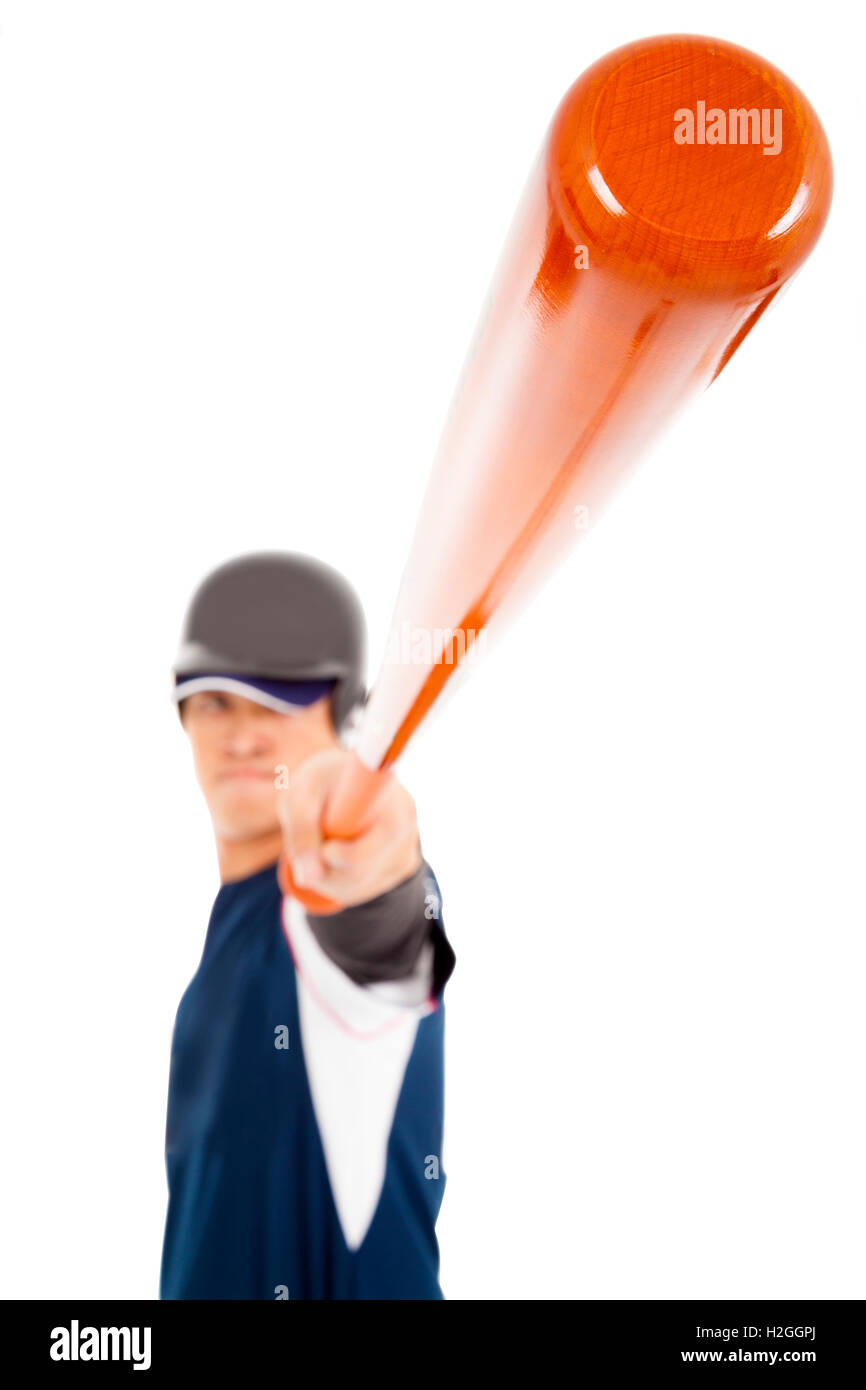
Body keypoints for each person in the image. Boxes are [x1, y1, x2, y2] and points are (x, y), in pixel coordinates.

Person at [159, 552, 456, 1300]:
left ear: (344, 716)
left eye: (278, 700)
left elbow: (377, 933)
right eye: (217, 700)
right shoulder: (216, 962)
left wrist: (374, 870)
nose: (245, 735)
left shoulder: (318, 913)